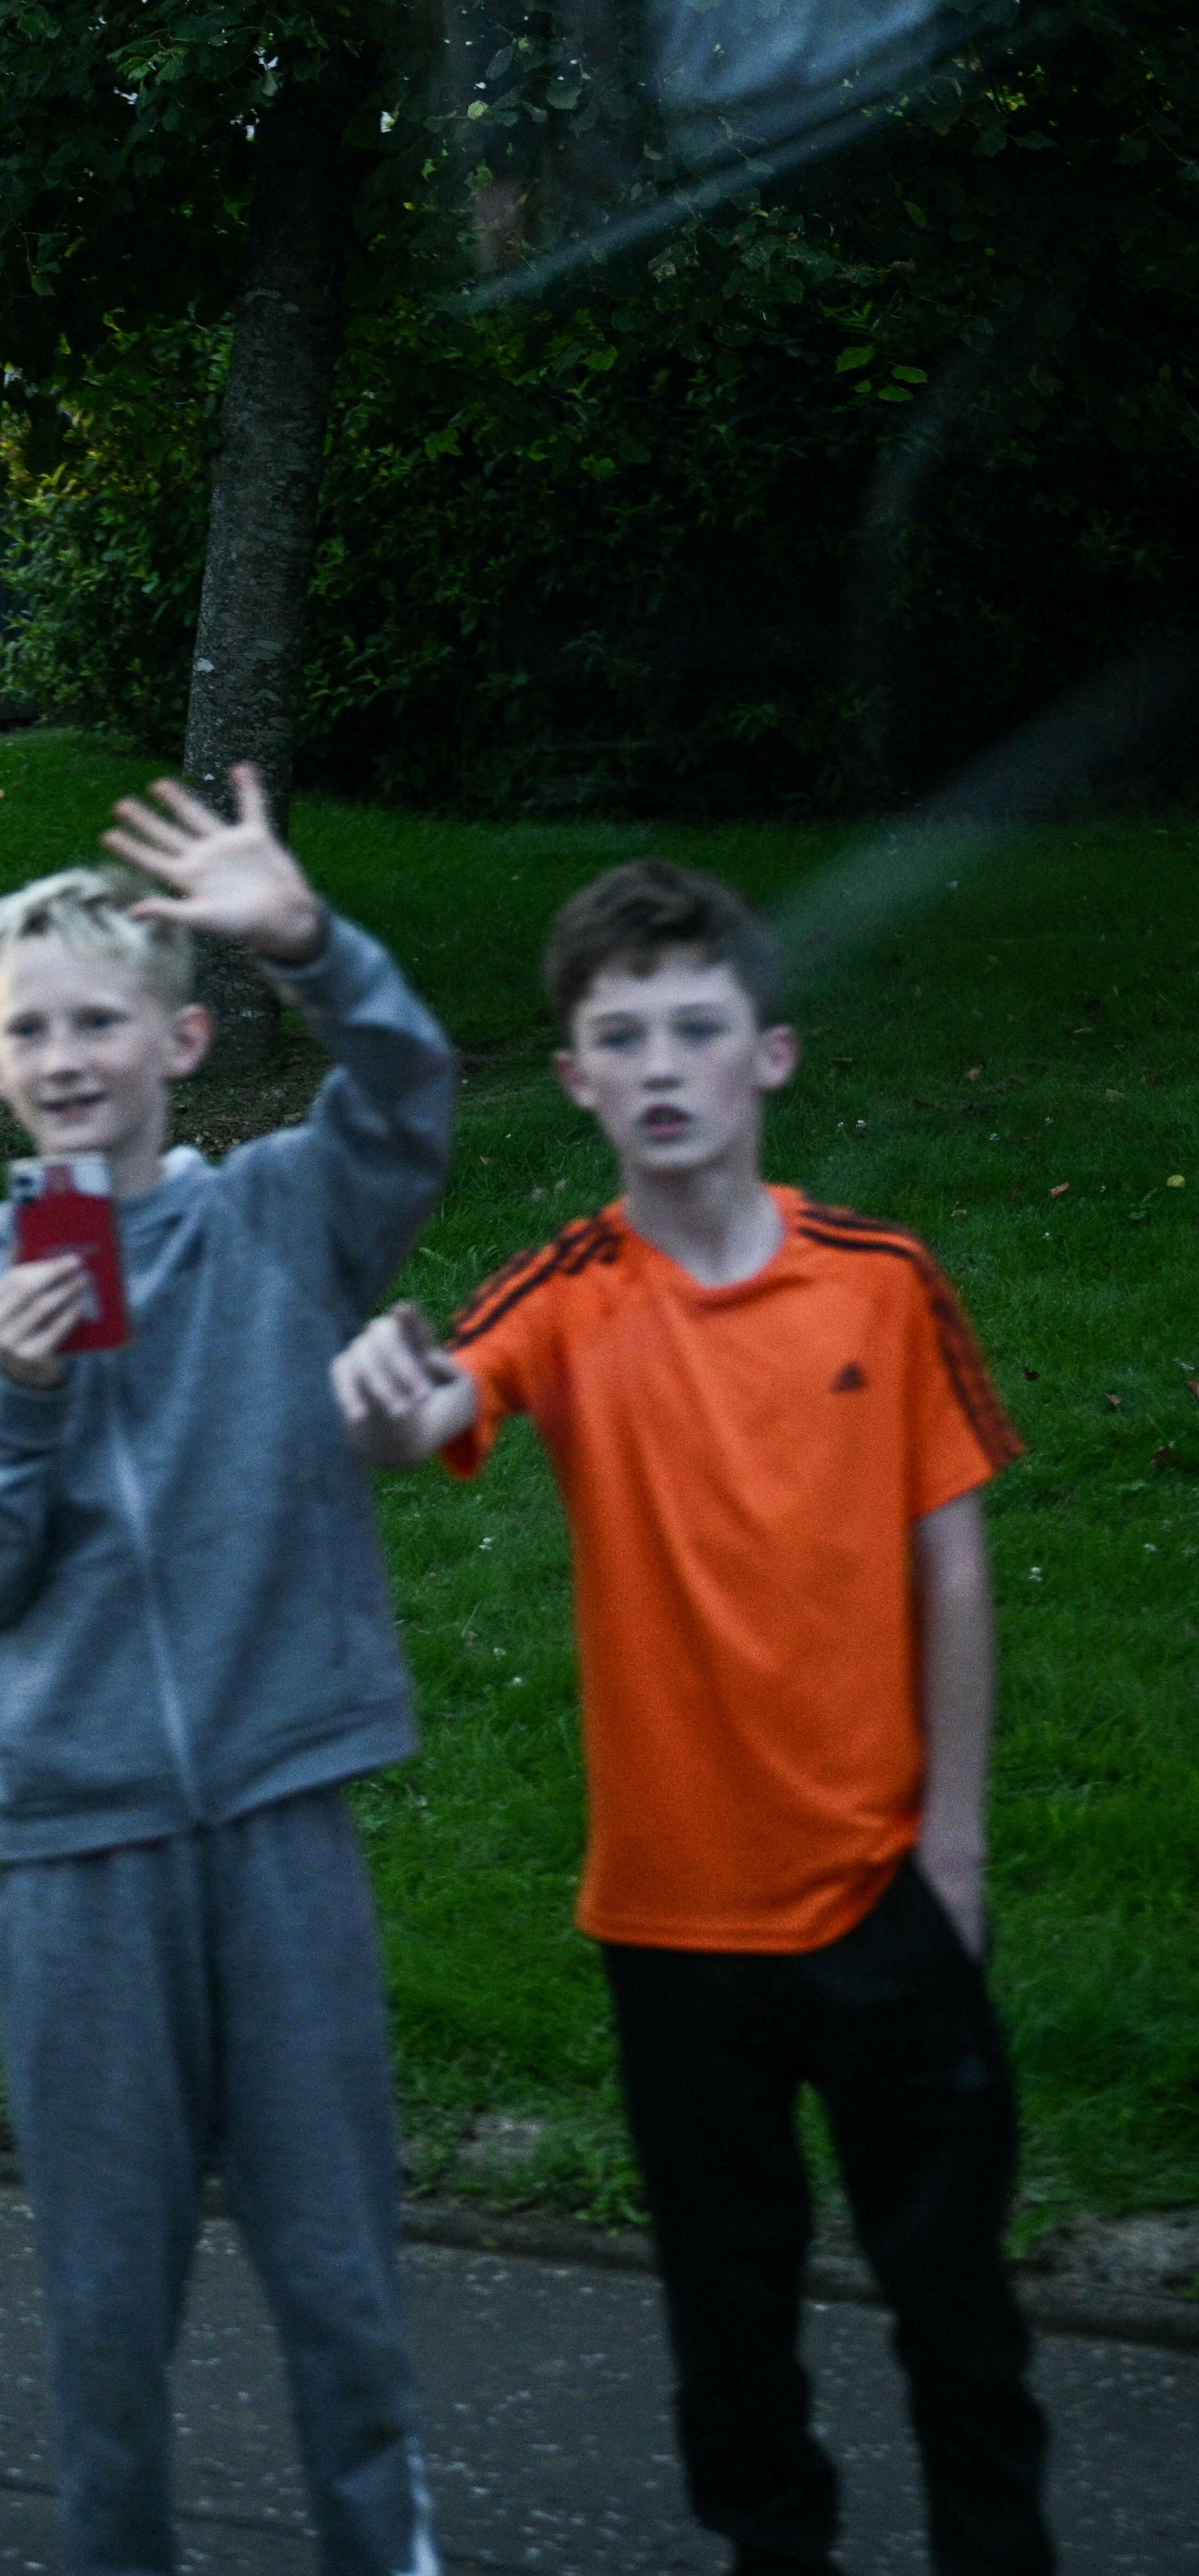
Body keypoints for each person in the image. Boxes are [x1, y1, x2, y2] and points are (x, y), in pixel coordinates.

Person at [331, 860, 1052, 2575]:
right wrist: (368, 1392)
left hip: (884, 1895)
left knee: (957, 2317)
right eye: (617, 1036)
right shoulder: (566, 1289)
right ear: (574, 1077)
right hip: (669, 1929)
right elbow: (428, 1404)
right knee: (728, 2343)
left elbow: (947, 1566)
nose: (660, 1065)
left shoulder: (878, 1280)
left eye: (694, 1028)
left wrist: (948, 1848)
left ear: (769, 1057)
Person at [0, 774, 454, 2576]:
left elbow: (409, 1101)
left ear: (180, 1039)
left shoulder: (277, 1222)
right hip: (76, 1854)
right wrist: (14, 1399)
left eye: (96, 1021)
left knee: (341, 2294)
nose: (62, 1055)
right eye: (25, 1030)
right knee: (104, 2328)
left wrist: (307, 935)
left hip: (278, 1819)